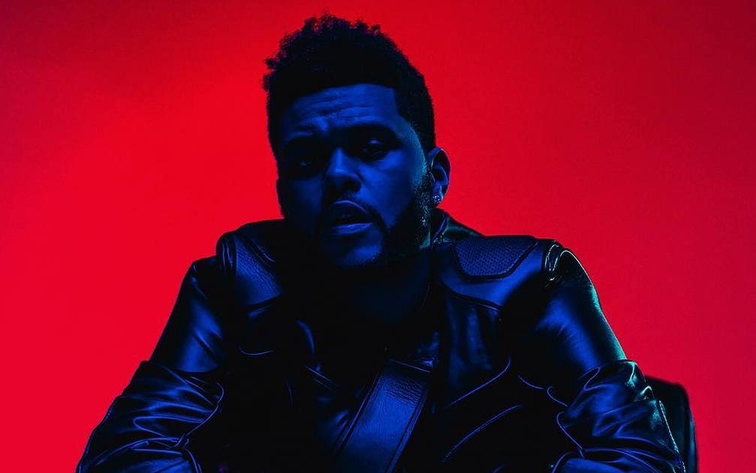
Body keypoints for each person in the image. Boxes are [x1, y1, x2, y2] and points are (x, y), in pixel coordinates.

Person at [78, 14, 685, 472]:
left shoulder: (526, 286)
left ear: (435, 177)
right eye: (306, 159)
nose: (338, 175)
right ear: (283, 191)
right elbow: (127, 451)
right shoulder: (235, 286)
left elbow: (639, 458)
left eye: (370, 148)